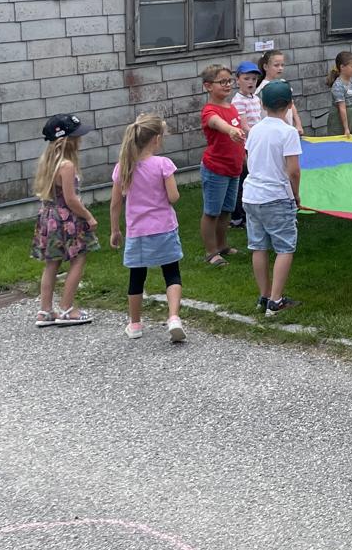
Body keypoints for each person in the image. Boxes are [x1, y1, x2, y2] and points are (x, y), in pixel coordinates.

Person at [108, 114, 185, 342]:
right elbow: (173, 197)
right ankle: (173, 317)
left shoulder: (123, 167)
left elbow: (115, 203)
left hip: (137, 232)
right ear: (157, 139)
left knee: (137, 276)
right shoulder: (163, 165)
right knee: (171, 272)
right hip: (164, 228)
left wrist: (115, 229)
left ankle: (135, 324)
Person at [31, 113, 98, 327]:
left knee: (52, 263)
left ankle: (45, 311)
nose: (80, 140)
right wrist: (88, 216)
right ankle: (67, 309)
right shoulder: (67, 165)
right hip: (66, 219)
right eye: (77, 136)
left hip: (48, 217)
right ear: (67, 140)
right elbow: (71, 199)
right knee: (78, 258)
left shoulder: (48, 162)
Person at [245, 80, 304, 318]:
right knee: (285, 247)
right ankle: (276, 300)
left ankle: (264, 295)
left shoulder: (255, 130)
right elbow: (294, 170)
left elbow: (248, 158)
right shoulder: (288, 132)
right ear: (289, 105)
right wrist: (296, 194)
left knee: (258, 246)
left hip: (251, 195)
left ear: (262, 105)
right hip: (276, 196)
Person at [199, 64, 246, 266]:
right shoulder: (209, 111)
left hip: (233, 169)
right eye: (222, 82)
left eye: (229, 81)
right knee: (212, 212)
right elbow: (217, 123)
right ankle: (211, 252)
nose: (227, 85)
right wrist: (230, 130)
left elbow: (239, 134)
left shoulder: (232, 107)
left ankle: (222, 245)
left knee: (227, 210)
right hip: (215, 169)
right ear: (208, 86)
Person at [230, 60, 264, 230]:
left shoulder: (256, 98)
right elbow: (244, 126)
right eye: (246, 79)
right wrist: (260, 136)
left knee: (253, 178)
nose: (251, 82)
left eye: (254, 79)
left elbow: (260, 119)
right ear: (238, 80)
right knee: (243, 180)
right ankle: (237, 217)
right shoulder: (238, 101)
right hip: (244, 146)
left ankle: (250, 211)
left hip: (255, 144)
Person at [259, 50, 304, 134]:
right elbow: (276, 112)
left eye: (282, 65)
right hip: (274, 131)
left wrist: (298, 124)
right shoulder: (264, 88)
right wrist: (289, 127)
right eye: (276, 65)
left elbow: (291, 104)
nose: (280, 68)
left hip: (287, 129)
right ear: (265, 67)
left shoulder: (284, 83)